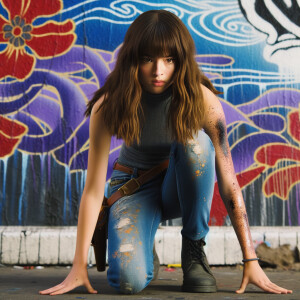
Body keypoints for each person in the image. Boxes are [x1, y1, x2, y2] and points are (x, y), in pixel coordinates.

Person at [39, 10, 292, 296]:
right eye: (148, 59)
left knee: (195, 142)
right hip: (133, 188)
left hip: (182, 184)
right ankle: (145, 249)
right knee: (127, 282)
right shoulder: (109, 103)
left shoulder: (203, 100)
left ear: (180, 60)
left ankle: (194, 249)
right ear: (134, 58)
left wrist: (251, 260)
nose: (158, 70)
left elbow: (228, 182)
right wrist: (78, 266)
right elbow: (94, 190)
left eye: (169, 60)